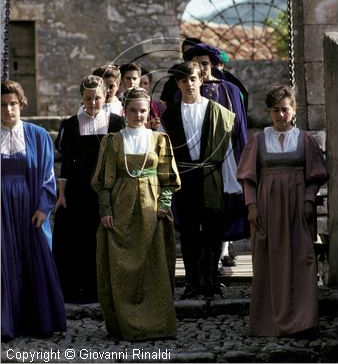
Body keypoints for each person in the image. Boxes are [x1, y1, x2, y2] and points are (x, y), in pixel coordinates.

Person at [237, 85, 329, 337]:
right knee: (268, 261)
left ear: (294, 110)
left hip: (297, 206)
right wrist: (252, 206)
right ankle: (268, 322)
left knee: (302, 258)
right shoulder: (258, 140)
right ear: (270, 112)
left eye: (285, 109)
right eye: (275, 110)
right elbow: (248, 178)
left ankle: (303, 321)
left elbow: (316, 176)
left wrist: (309, 199)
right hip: (267, 207)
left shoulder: (304, 139)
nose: (280, 114)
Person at [91, 87, 181, 340]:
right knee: (123, 268)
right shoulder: (113, 141)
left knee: (154, 265)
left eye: (143, 111)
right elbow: (104, 181)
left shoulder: (160, 140)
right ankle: (126, 324)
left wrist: (164, 204)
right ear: (124, 112)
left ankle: (157, 324)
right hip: (121, 209)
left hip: (152, 209)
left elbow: (169, 177)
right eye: (133, 111)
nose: (138, 115)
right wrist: (105, 210)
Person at [161, 61, 235, 299]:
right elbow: (163, 152)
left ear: (201, 79)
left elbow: (228, 150)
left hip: (212, 175)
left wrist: (231, 183)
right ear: (177, 84)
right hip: (184, 177)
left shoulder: (219, 112)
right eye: (184, 80)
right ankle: (193, 282)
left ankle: (211, 280)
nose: (189, 84)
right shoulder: (169, 116)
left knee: (213, 229)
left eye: (193, 79)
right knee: (189, 231)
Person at [1, 80, 66, 340]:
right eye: (3, 105)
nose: (8, 110)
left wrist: (43, 207)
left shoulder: (37, 135)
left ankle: (39, 321)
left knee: (35, 260)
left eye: (13, 104)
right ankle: (6, 324)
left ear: (22, 104)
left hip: (30, 208)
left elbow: (48, 177)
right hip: (2, 210)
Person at [52, 75, 125, 303]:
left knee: (100, 239)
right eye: (88, 98)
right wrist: (62, 193)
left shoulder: (115, 122)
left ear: (105, 96)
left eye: (97, 98)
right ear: (82, 98)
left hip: (105, 189)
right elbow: (66, 163)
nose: (93, 103)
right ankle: (75, 289)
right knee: (76, 238)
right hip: (77, 189)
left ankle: (101, 288)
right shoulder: (71, 124)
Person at [183, 43, 249, 267]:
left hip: (224, 151)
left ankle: (220, 252)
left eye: (205, 64)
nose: (201, 69)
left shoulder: (228, 89)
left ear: (212, 65)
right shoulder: (190, 89)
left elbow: (238, 122)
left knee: (221, 202)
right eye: (197, 65)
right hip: (196, 156)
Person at [160, 37, 202, 107]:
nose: (189, 56)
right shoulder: (174, 78)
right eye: (186, 53)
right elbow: (165, 102)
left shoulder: (212, 78)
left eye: (192, 53)